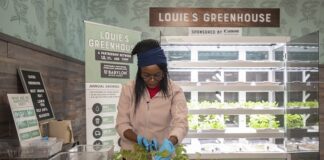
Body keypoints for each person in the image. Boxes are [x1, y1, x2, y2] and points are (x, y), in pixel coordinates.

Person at [115, 39, 188, 160]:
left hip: (161, 155)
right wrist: (137, 139)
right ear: (140, 73)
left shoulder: (175, 91)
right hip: (132, 155)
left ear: (164, 72)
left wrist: (170, 142)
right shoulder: (128, 90)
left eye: (157, 75)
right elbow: (122, 123)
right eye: (146, 75)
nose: (152, 80)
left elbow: (181, 124)